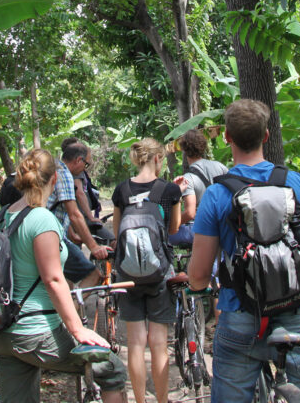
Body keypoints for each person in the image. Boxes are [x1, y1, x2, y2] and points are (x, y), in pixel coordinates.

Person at [188, 99, 300, 403]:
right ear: (266, 136)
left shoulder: (216, 194)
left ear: (226, 137)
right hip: (298, 314)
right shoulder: (296, 183)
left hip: (240, 315)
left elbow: (199, 274)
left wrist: (201, 287)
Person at [0, 148, 127, 403]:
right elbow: (53, 279)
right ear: (54, 180)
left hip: (4, 334)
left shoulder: (4, 215)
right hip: (35, 331)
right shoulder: (42, 218)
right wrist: (78, 331)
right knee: (113, 370)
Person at [111, 138, 181, 403]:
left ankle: (140, 401)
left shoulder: (121, 190)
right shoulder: (170, 190)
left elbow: (118, 232)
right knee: (159, 343)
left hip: (128, 275)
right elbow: (173, 230)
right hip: (159, 272)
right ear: (157, 159)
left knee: (136, 343)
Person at [47, 143, 109, 289]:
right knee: (93, 275)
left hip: (49, 233)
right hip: (53, 238)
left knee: (66, 281)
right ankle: (71, 311)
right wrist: (94, 247)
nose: (84, 169)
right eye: (86, 164)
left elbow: (57, 209)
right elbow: (74, 214)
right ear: (78, 160)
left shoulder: (52, 168)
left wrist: (73, 235)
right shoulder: (64, 174)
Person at [169, 128, 228, 247]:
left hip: (200, 228)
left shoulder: (188, 178)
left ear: (184, 150)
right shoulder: (221, 167)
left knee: (166, 235)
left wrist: (171, 224)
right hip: (222, 225)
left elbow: (190, 213)